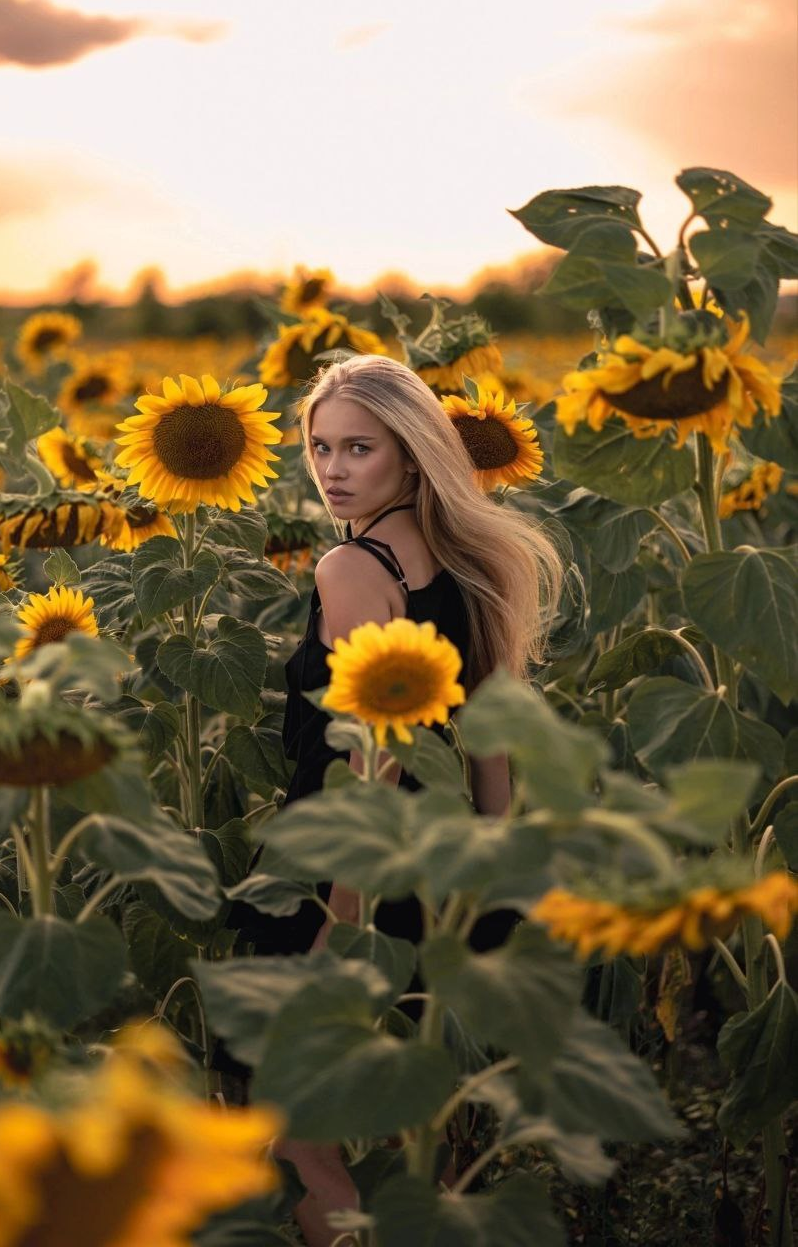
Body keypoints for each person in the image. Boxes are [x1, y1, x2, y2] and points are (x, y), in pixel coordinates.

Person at [260, 353, 563, 1246]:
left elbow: (377, 756)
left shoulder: (351, 570)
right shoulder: (472, 561)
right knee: (396, 1127)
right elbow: (492, 737)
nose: (335, 469)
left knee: (293, 1129)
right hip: (446, 874)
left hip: (351, 874)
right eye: (321, 447)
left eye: (360, 447)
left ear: (412, 453)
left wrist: (342, 929)